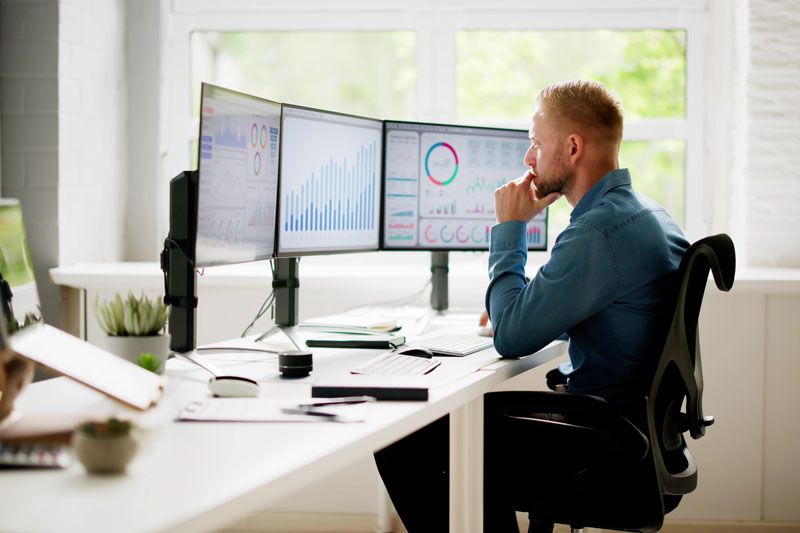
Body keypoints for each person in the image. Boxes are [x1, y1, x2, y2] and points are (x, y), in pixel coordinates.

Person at [374, 79, 689, 533]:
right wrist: (532, 307)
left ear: (573, 147)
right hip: (641, 437)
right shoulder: (647, 214)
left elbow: (511, 337)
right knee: (448, 432)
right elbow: (614, 310)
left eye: (536, 143)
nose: (528, 157)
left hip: (606, 443)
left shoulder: (596, 234)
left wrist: (510, 227)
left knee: (405, 436)